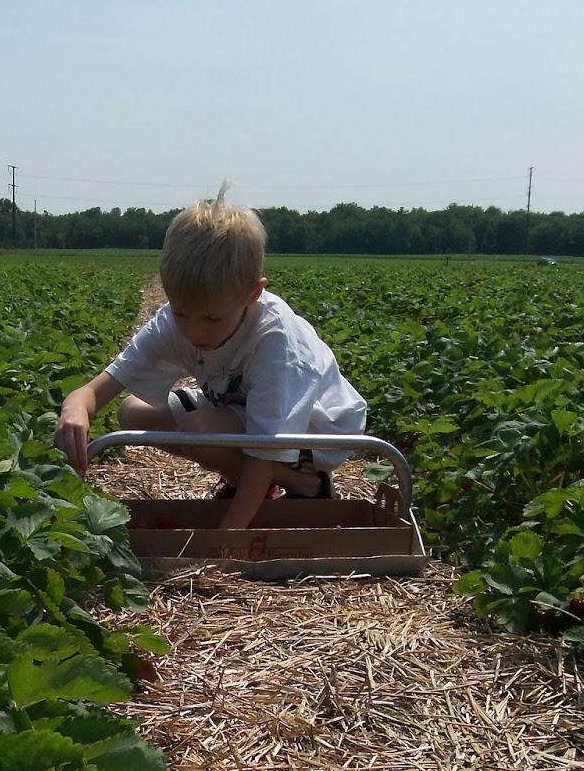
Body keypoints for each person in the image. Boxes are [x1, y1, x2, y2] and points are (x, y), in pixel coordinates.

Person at [55, 189, 367, 530]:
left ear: (253, 295)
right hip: (244, 408)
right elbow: (96, 390)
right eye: (181, 313)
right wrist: (74, 409)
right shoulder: (178, 320)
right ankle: (252, 483)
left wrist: (223, 542)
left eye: (213, 319)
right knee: (132, 412)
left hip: (313, 427)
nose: (194, 332)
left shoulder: (279, 346)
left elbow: (264, 451)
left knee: (198, 430)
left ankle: (306, 485)